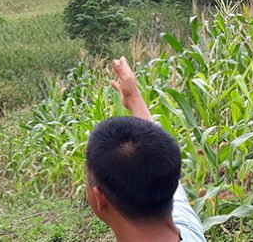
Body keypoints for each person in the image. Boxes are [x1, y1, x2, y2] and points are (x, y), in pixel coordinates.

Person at [85, 57, 206, 242]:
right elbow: (157, 164)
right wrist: (134, 98)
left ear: (99, 197)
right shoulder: (190, 233)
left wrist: (134, 98)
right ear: (171, 184)